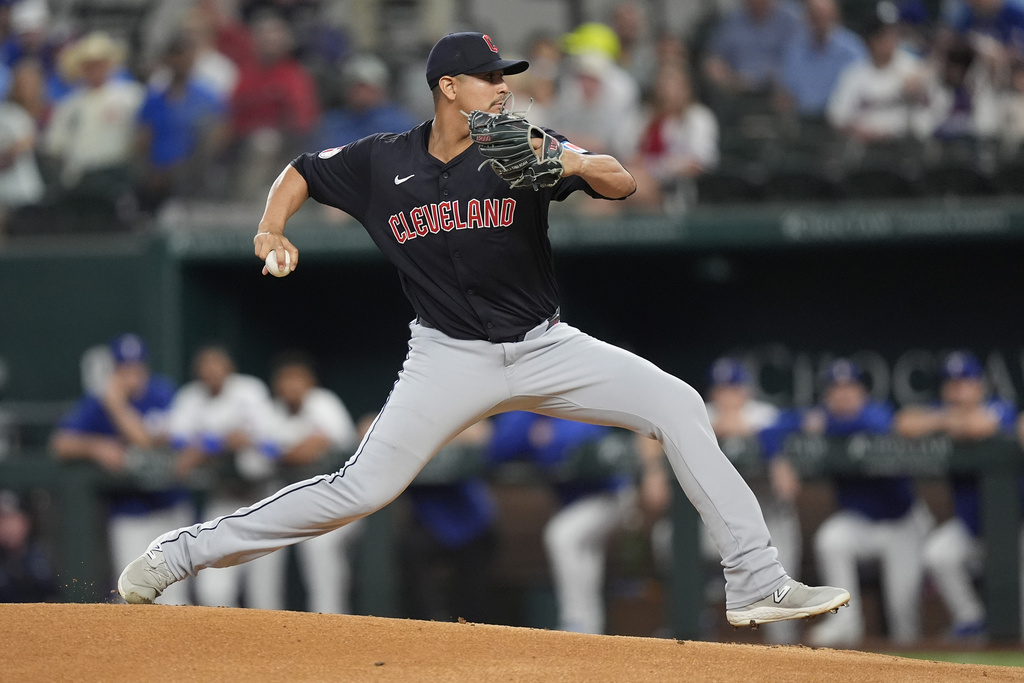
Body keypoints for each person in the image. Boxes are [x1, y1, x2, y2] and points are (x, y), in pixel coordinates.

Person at [118, 31, 849, 631]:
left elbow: (622, 182)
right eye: (488, 77)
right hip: (447, 354)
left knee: (680, 404)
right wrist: (271, 227)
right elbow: (301, 168)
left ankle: (756, 579)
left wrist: (569, 160)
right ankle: (184, 554)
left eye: (504, 77)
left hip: (545, 344)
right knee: (361, 488)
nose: (502, 86)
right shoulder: (385, 161)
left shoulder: (514, 143)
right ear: (448, 88)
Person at [798, 359, 934, 647]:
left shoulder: (878, 414)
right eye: (836, 389)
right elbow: (784, 425)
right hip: (860, 524)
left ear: (862, 392)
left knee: (903, 613)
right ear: (827, 396)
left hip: (902, 522)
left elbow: (878, 423)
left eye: (850, 387)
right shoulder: (822, 420)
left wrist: (829, 423)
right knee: (831, 539)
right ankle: (846, 621)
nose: (844, 394)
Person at [51, 333, 193, 605]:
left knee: (177, 597)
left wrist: (116, 405)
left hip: (169, 508)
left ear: (146, 368)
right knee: (132, 594)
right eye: (124, 368)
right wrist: (96, 446)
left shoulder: (162, 393)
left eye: (137, 368)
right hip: (130, 513)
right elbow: (60, 444)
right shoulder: (99, 401)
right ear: (115, 370)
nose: (132, 375)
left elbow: (146, 442)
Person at [895, 351, 1018, 639]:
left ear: (979, 386)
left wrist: (948, 422)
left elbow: (981, 426)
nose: (958, 390)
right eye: (952, 383)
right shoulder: (942, 411)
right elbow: (904, 423)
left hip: (1013, 530)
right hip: (971, 528)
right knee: (938, 553)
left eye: (965, 382)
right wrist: (948, 420)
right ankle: (971, 619)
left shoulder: (1001, 407)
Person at [490, 411, 632, 634]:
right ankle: (589, 627)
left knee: (562, 535)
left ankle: (576, 622)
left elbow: (583, 440)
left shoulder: (571, 402)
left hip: (609, 495)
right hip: (577, 501)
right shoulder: (528, 411)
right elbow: (497, 447)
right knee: (583, 552)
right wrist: (529, 432)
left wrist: (552, 437)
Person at [166, 345, 278, 609]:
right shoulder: (190, 397)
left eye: (217, 366)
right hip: (223, 498)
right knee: (213, 590)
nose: (212, 372)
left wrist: (211, 445)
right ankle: (219, 648)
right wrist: (217, 443)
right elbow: (177, 439)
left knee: (264, 594)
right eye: (206, 367)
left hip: (262, 499)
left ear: (230, 369)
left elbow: (269, 440)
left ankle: (274, 650)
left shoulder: (249, 390)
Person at [259, 352, 361, 614]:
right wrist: (301, 448)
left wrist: (286, 452)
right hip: (292, 495)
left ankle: (330, 620)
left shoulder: (323, 403)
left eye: (298, 378)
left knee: (321, 547)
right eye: (286, 379)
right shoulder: (270, 411)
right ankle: (265, 622)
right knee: (263, 551)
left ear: (310, 382)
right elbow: (257, 458)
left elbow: (330, 443)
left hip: (338, 495)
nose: (291, 385)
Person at [399, 419, 498, 624]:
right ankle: (430, 626)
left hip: (472, 521)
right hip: (429, 523)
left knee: (475, 587)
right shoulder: (404, 416)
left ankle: (476, 630)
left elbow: (483, 433)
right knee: (412, 549)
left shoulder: (456, 412)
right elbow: (368, 429)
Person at [135, 32, 228, 210]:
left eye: (188, 55)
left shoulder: (207, 98)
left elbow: (218, 138)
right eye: (177, 55)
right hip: (156, 181)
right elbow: (142, 139)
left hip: (193, 178)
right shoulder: (154, 100)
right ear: (168, 59)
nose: (183, 61)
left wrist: (183, 169)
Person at [826, 13, 936, 142]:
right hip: (862, 146)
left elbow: (929, 112)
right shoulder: (855, 74)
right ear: (872, 41)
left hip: (902, 145)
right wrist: (855, 128)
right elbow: (836, 115)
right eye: (884, 36)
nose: (891, 40)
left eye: (893, 34)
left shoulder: (913, 68)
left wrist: (919, 90)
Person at [632, 66, 718, 214]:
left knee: (616, 191)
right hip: (645, 181)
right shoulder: (648, 118)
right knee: (605, 194)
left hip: (677, 190)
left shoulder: (698, 118)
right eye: (665, 88)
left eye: (675, 88)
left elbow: (698, 162)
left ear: (686, 89)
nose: (670, 94)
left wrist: (658, 170)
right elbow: (632, 154)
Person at [778, 0, 867, 117]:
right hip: (802, 119)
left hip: (840, 122)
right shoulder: (794, 50)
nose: (820, 23)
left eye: (824, 17)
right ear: (806, 17)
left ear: (835, 16)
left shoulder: (852, 50)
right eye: (815, 17)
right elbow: (786, 91)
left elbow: (864, 90)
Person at [702, 0, 804, 94]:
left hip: (777, 91)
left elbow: (803, 57)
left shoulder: (790, 19)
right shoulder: (731, 20)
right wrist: (725, 77)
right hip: (737, 90)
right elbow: (714, 59)